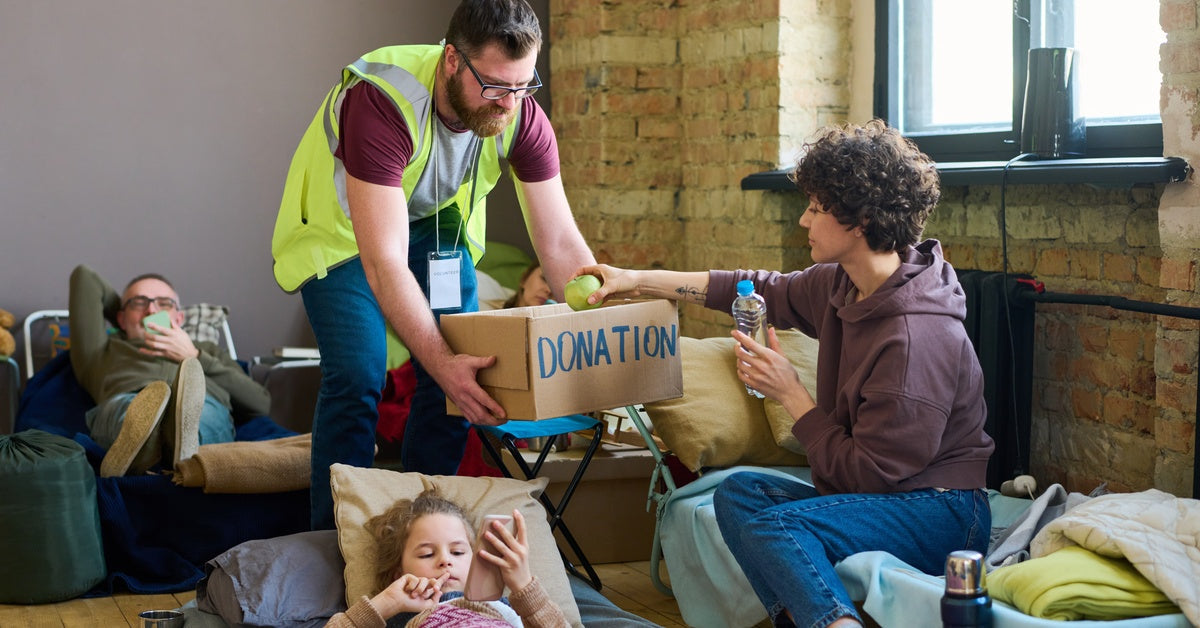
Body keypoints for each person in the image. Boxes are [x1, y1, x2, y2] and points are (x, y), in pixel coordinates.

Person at [573, 120, 995, 627]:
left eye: (816, 208)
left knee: (776, 525)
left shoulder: (913, 338)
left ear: (858, 220)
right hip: (884, 492)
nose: (803, 221)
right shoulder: (843, 283)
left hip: (939, 511)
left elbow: (869, 477)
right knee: (737, 494)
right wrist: (638, 281)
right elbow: (755, 288)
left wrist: (792, 395)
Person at [271, 0, 596, 530]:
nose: (508, 104)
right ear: (451, 61)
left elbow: (560, 242)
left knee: (465, 373)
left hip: (433, 227)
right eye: (494, 85)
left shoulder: (519, 112)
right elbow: (384, 263)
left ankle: (425, 532)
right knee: (358, 374)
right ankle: (335, 542)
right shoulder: (382, 101)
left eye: (522, 86)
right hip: (345, 232)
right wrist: (442, 365)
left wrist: (605, 321)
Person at [68, 264, 271, 478]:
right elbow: (84, 277)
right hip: (129, 398)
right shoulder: (103, 350)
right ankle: (144, 443)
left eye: (164, 303)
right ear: (119, 318)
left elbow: (260, 403)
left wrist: (194, 356)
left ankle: (183, 443)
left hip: (203, 403)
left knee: (200, 413)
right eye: (139, 303)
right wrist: (128, 318)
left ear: (179, 319)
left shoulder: (207, 350)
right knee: (130, 408)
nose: (152, 311)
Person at [326, 488, 568, 627]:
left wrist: (525, 587)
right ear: (398, 573)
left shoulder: (510, 609)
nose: (445, 561)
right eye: (427, 554)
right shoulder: (397, 616)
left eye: (458, 552)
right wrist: (387, 602)